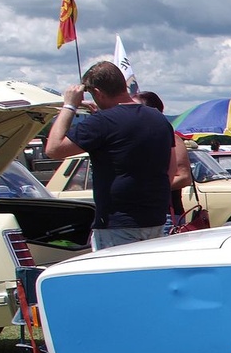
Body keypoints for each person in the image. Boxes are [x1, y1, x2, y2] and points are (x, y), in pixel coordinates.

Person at [46, 61, 175, 250]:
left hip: (118, 224)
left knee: (116, 279)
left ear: (97, 92)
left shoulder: (102, 122)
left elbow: (54, 149)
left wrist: (69, 106)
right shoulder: (159, 119)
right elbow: (171, 171)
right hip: (155, 218)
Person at [133, 90, 194, 232]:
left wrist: (145, 189)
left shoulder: (171, 137)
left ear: (153, 111)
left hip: (166, 214)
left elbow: (184, 177)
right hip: (140, 215)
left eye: (136, 108)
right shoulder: (138, 138)